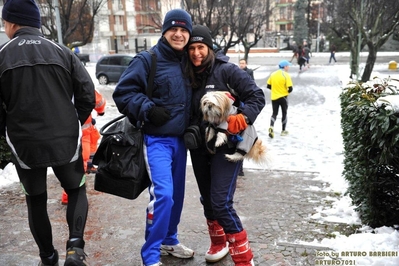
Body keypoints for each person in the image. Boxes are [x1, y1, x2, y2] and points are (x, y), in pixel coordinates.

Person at [0, 0, 95, 265]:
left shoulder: (2, 54)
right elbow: (87, 93)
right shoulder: (61, 51)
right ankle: (75, 247)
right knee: (75, 189)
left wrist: (6, 130)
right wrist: (71, 120)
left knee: (36, 199)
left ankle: (48, 257)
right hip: (65, 137)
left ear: (12, 22)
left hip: (25, 144)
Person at [113, 9, 194, 266]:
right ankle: (150, 253)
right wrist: (148, 109)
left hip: (181, 142)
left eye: (184, 30)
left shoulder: (188, 60)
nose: (179, 34)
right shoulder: (148, 59)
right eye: (174, 29)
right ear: (165, 31)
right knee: (164, 195)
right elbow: (123, 93)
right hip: (156, 140)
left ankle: (169, 239)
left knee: (177, 196)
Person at [186, 25, 265, 265]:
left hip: (227, 146)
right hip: (199, 146)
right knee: (207, 200)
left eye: (201, 47)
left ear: (209, 48)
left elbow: (256, 96)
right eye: (192, 48)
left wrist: (243, 117)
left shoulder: (228, 71)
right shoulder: (185, 73)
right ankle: (219, 242)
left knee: (220, 202)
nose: (196, 53)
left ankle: (243, 257)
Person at [61, 89, 106, 205]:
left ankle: (90, 165)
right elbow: (98, 100)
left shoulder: (60, 85)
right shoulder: (81, 85)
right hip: (81, 131)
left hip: (71, 129)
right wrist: (101, 111)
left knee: (93, 143)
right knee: (79, 162)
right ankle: (69, 196)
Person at [267, 60, 294, 138]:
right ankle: (283, 130)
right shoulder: (286, 75)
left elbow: (268, 86)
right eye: (288, 66)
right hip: (283, 97)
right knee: (284, 113)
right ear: (285, 66)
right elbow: (290, 88)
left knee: (274, 113)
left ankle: (271, 126)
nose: (288, 67)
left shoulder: (273, 74)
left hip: (274, 97)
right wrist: (285, 91)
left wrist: (275, 90)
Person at [238, 58, 255, 176]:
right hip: (238, 109)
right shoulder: (234, 73)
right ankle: (238, 168)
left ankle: (241, 168)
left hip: (245, 111)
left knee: (243, 139)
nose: (241, 65)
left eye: (243, 63)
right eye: (240, 63)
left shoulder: (249, 73)